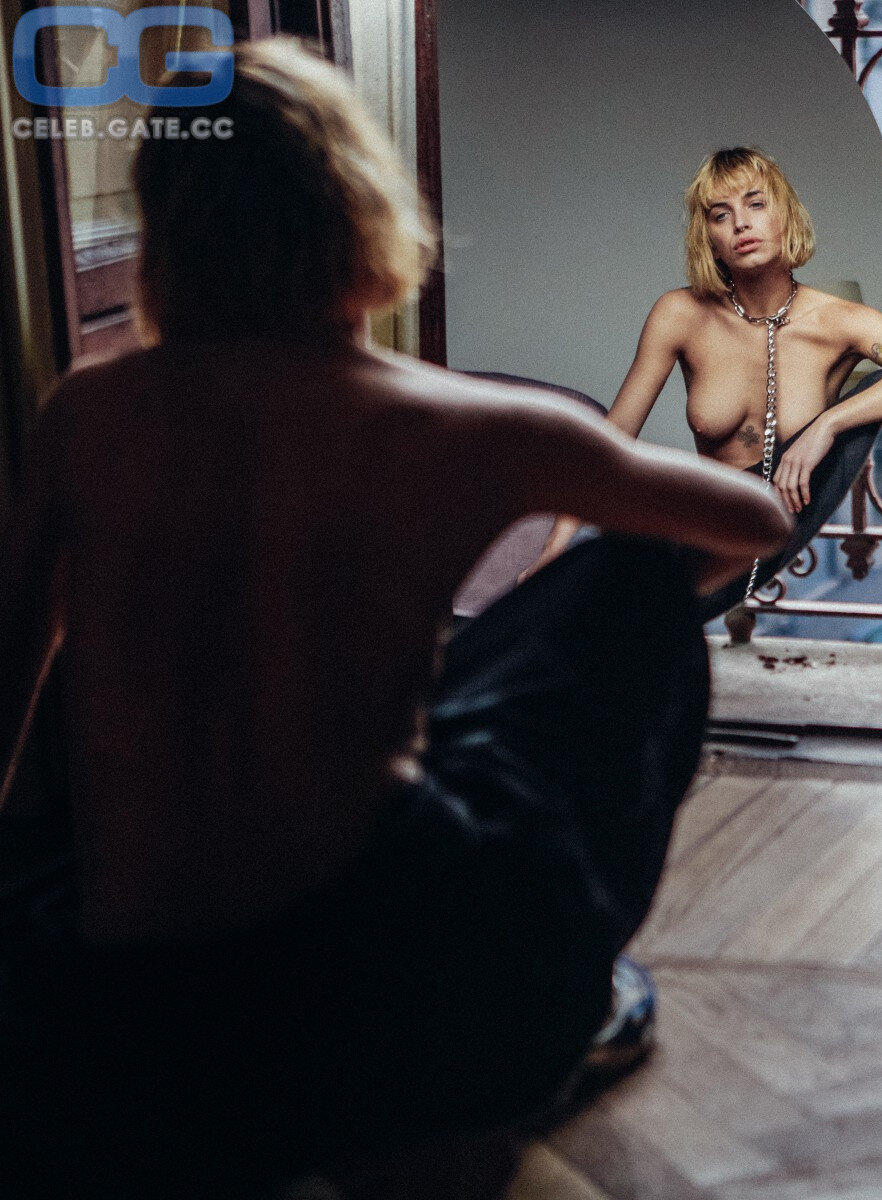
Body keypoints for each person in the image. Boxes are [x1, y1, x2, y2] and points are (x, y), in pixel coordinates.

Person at [0, 39, 791, 1197]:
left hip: (123, 1005)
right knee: (625, 576)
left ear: (169, 235)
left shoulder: (87, 414)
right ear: (357, 208)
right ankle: (556, 991)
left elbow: (14, 674)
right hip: (385, 996)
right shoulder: (455, 422)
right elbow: (755, 521)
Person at [533, 147, 882, 607]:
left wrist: (827, 425)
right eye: (720, 215)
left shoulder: (840, 322)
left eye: (756, 204)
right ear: (708, 239)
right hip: (709, 535)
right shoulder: (681, 314)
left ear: (786, 216)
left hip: (791, 527)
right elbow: (611, 441)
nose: (740, 224)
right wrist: (553, 550)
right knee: (585, 593)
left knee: (873, 399)